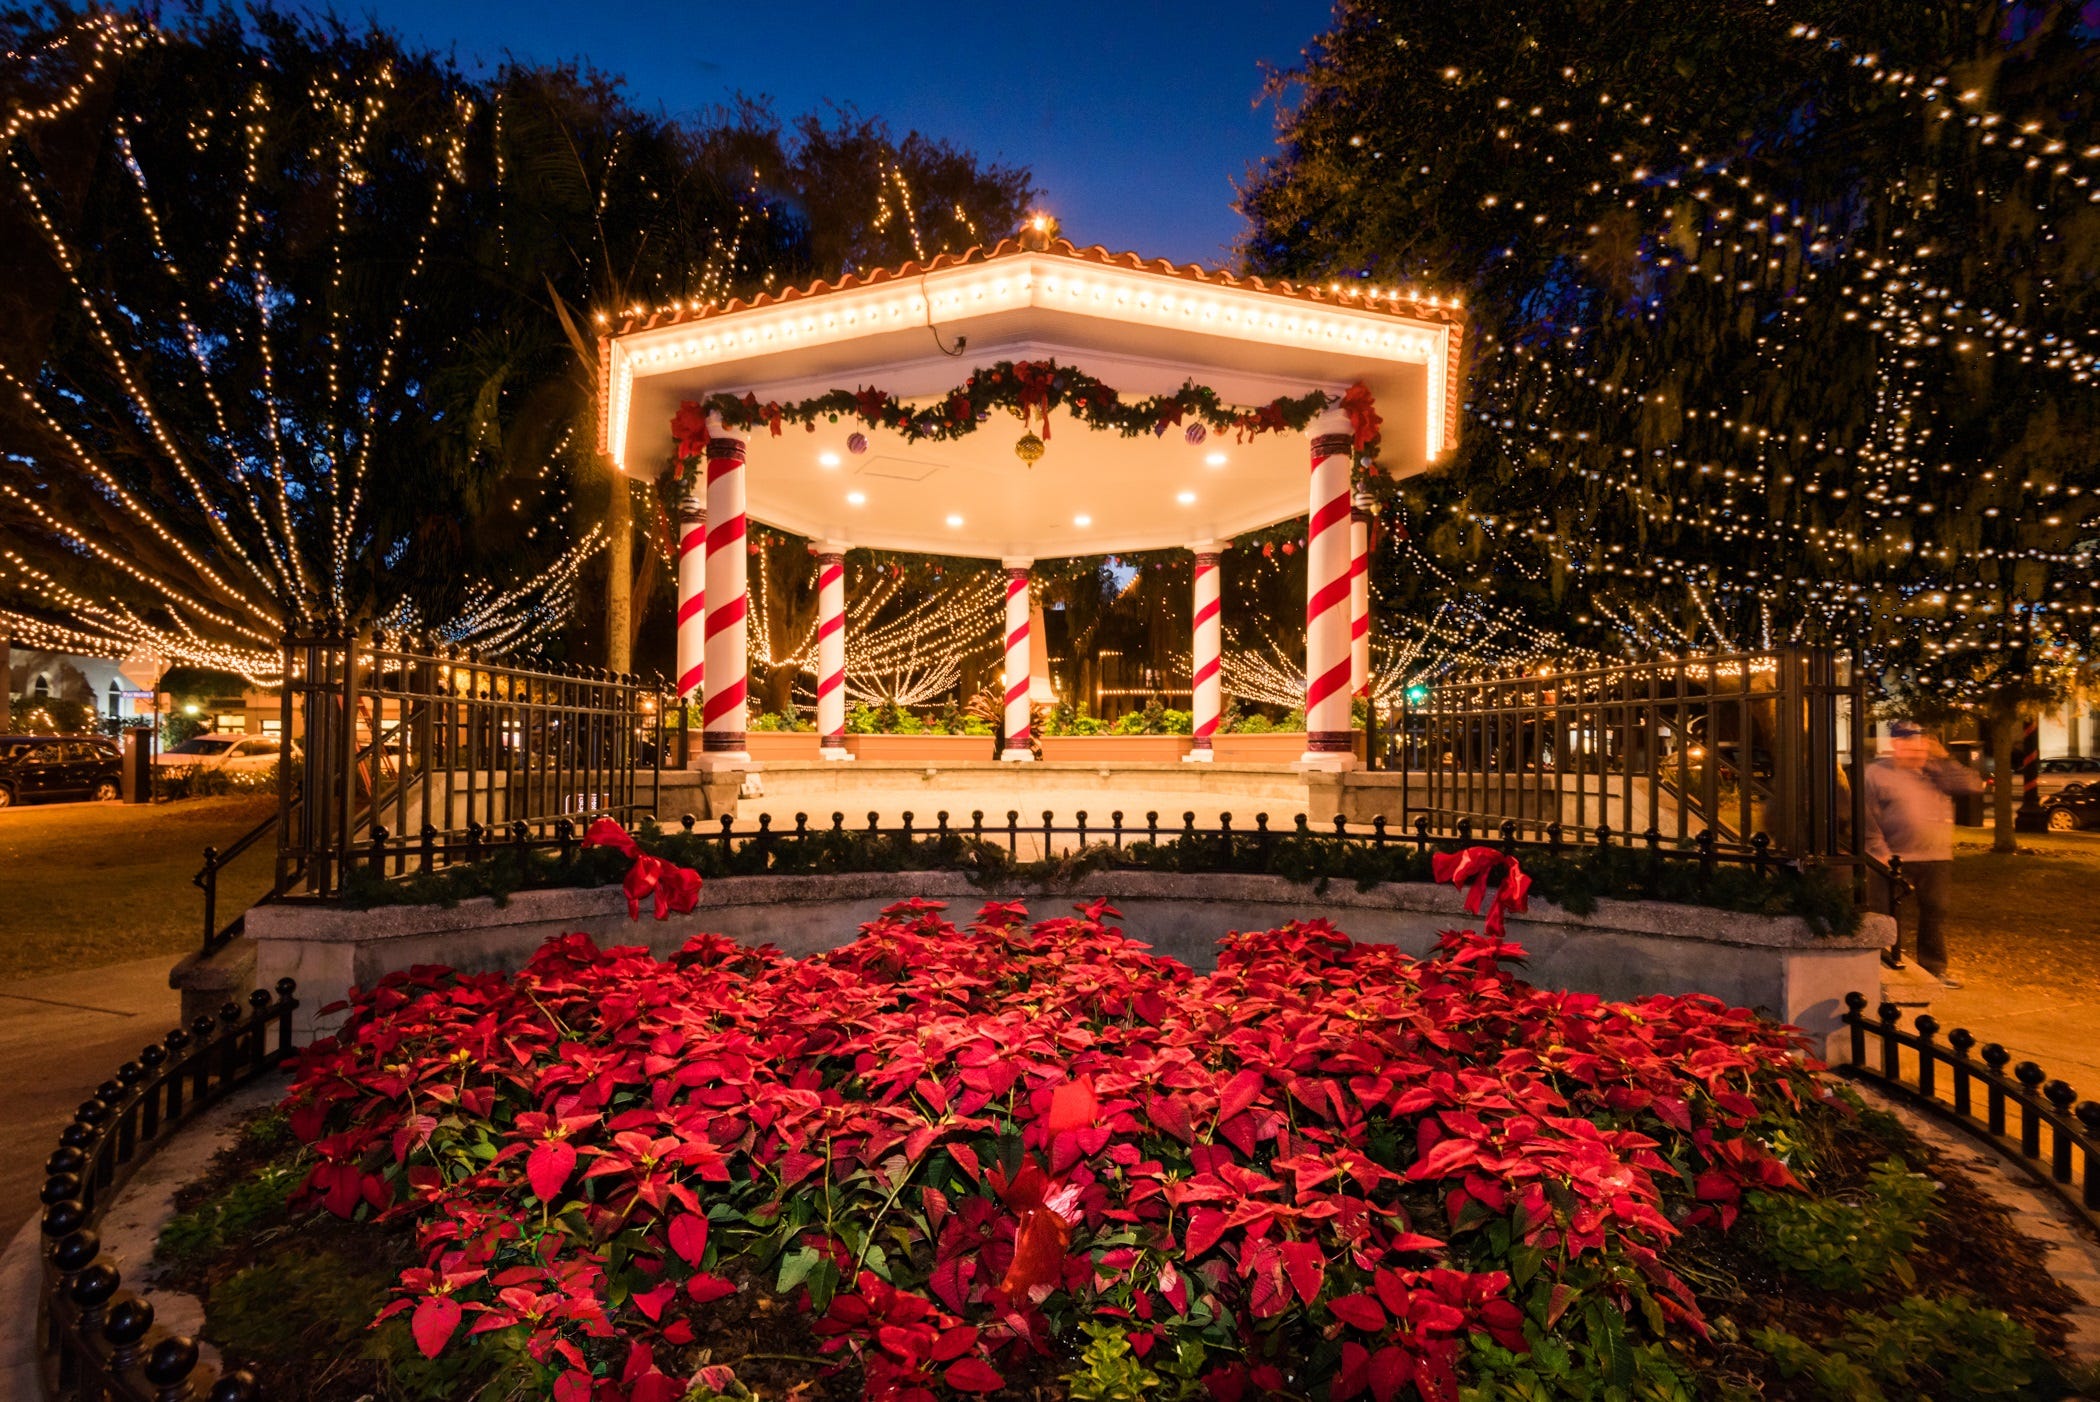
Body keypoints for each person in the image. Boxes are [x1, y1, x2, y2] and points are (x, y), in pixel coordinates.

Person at [1862, 721, 1983, 987]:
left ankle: (1933, 969)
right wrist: (1879, 851)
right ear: (1895, 745)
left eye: (1919, 744)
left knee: (1935, 912)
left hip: (1936, 856)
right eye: (1907, 744)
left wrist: (1943, 759)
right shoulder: (1876, 774)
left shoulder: (1936, 771)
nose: (1915, 751)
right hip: (1892, 858)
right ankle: (1886, 967)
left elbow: (1973, 786)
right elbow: (1867, 817)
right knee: (1886, 914)